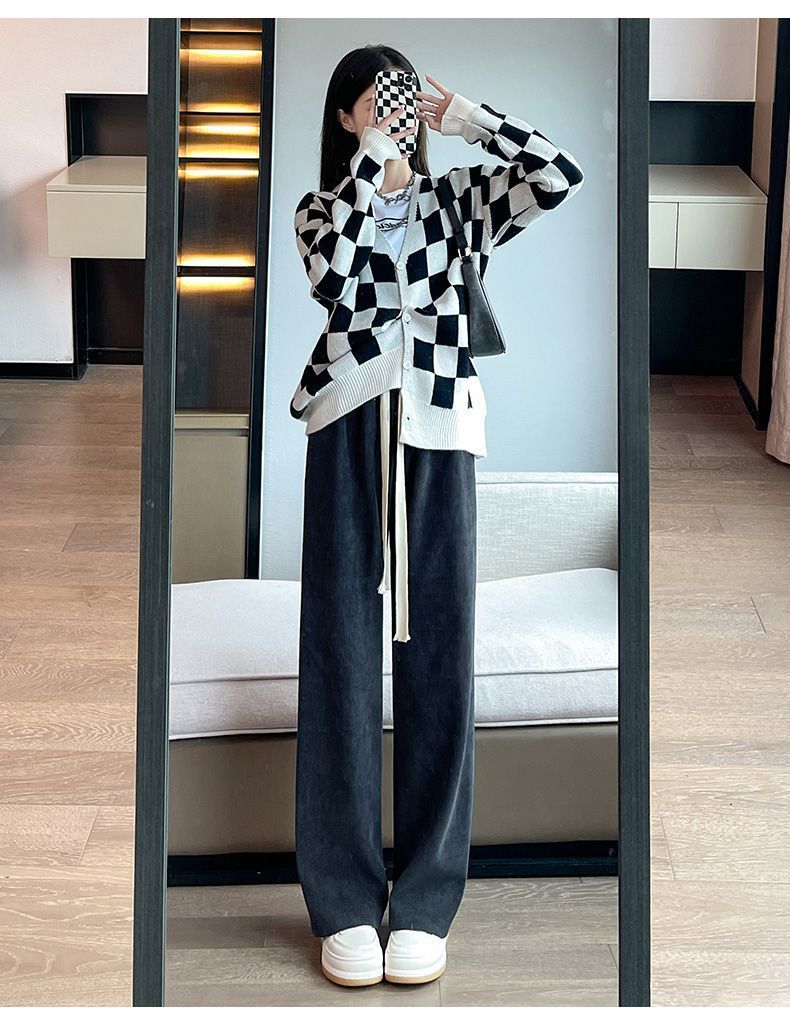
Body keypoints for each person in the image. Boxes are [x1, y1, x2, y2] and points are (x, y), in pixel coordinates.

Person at [290, 43, 585, 987]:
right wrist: (374, 163)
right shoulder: (321, 209)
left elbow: (558, 174)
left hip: (441, 430)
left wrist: (465, 119)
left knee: (442, 658)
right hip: (347, 426)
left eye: (402, 97)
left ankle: (423, 901)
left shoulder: (458, 202)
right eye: (373, 101)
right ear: (345, 115)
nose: (392, 111)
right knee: (339, 655)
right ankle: (343, 901)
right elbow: (334, 281)